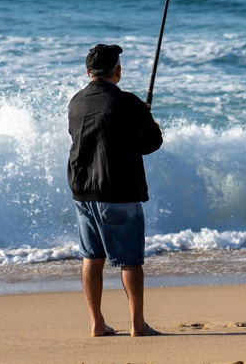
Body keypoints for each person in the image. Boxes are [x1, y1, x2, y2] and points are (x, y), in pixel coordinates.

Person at [67, 43, 164, 337]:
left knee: (92, 258)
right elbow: (151, 143)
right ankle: (137, 325)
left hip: (83, 192)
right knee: (130, 261)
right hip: (117, 191)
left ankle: (97, 323)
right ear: (117, 72)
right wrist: (147, 118)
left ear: (88, 72)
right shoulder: (128, 104)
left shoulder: (75, 102)